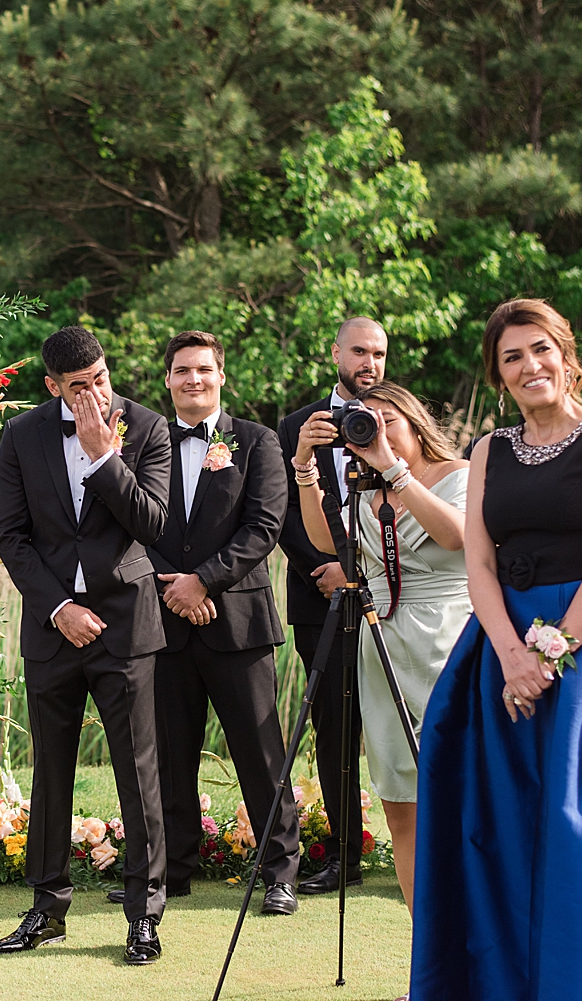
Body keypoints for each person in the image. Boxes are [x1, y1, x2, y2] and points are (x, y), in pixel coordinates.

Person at [411, 300, 582, 1000]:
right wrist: (511, 655)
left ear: (566, 355)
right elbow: (478, 565)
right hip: (497, 649)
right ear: (499, 374)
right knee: (497, 830)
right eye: (512, 357)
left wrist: (548, 657)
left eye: (540, 349)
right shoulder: (488, 449)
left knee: (577, 836)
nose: (529, 366)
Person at [0, 325, 172, 965]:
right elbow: (11, 537)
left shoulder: (147, 429)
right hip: (52, 629)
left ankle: (143, 915)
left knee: (138, 771)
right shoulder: (21, 436)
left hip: (126, 627)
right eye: (78, 388)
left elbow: (153, 524)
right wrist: (59, 606)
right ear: (52, 387)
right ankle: (46, 909)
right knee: (51, 773)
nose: (94, 395)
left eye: (100, 380)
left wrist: (104, 460)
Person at [112, 330, 300, 916]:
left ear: (221, 376)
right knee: (168, 756)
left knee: (261, 753)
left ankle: (279, 873)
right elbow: (128, 522)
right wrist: (175, 586)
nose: (193, 379)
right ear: (166, 380)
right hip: (162, 622)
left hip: (237, 623)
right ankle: (172, 870)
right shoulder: (143, 441)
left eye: (203, 369)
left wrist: (204, 581)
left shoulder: (258, 442)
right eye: (181, 371)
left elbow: (264, 527)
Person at [292, 382, 469, 932]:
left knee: (464, 803)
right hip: (382, 643)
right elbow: (328, 544)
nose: (378, 432)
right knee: (403, 807)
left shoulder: (461, 475)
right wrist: (304, 467)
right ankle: (428, 963)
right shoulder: (363, 492)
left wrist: (394, 471)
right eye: (367, 423)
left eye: (389, 420)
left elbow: (457, 535)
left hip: (450, 644)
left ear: (416, 423)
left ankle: (480, 956)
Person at [276, 316, 386, 895]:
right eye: (360, 352)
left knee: (403, 718)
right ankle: (345, 855)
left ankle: (424, 846)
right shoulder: (296, 425)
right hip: (319, 597)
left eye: (380, 353)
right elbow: (281, 514)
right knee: (335, 729)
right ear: (336, 352)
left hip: (392, 600)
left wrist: (360, 569)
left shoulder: (399, 420)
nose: (370, 363)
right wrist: (324, 568)